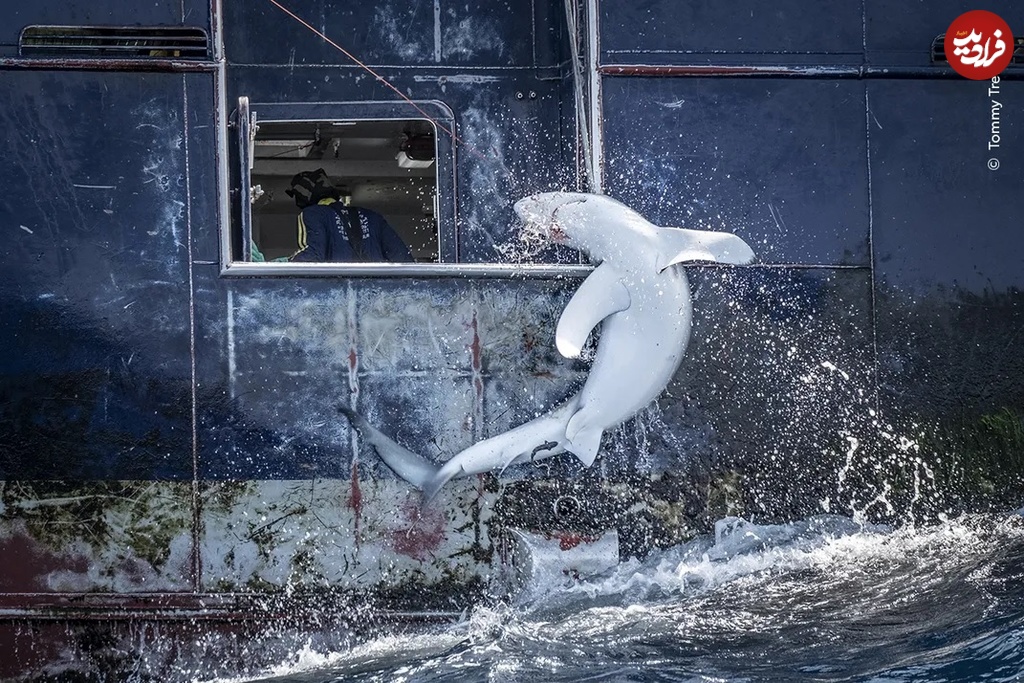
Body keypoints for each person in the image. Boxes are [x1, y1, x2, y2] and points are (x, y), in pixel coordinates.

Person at [285, 169, 413, 263]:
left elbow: (313, 256)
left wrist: (284, 264)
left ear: (302, 198)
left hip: (337, 294)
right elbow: (404, 259)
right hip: (374, 294)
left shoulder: (313, 214)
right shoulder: (373, 217)